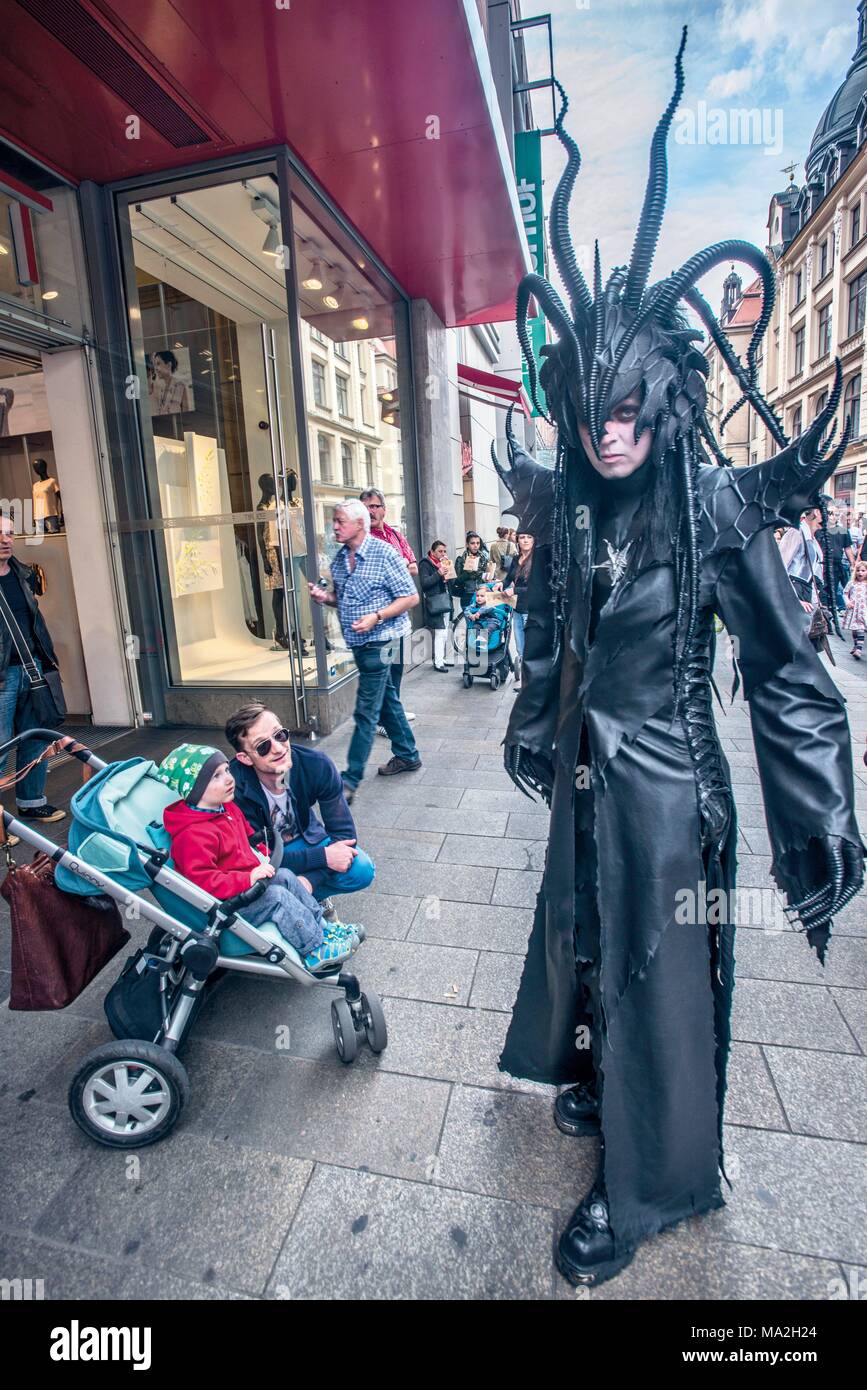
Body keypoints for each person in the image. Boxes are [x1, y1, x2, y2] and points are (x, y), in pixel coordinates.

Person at [494, 33, 863, 1289]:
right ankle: (598, 1082)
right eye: (587, 417)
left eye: (625, 417)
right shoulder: (575, 503)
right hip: (597, 786)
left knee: (661, 982)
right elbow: (555, 626)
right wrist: (537, 722)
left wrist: (817, 809)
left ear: (659, 400)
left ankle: (653, 1190)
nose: (606, 439)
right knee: (588, 947)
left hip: (669, 793)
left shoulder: (714, 506)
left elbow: (787, 672)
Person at [158, 743, 359, 974]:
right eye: (216, 776)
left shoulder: (226, 809)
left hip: (248, 885)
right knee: (277, 897)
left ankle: (323, 927)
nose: (228, 779)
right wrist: (248, 878)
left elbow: (247, 837)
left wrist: (262, 851)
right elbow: (203, 881)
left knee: (285, 876)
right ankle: (314, 948)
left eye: (227, 770)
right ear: (194, 788)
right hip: (228, 904)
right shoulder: (192, 835)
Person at [309, 500, 421, 801]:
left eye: (340, 521)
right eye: (334, 521)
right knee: (387, 701)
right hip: (357, 644)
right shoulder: (339, 559)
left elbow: (411, 597)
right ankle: (408, 754)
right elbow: (342, 598)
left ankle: (350, 780)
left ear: (359, 524)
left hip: (382, 640)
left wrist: (377, 616)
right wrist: (325, 597)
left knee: (366, 711)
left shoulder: (385, 554)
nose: (334, 526)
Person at [226, 701, 375, 909]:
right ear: (245, 758)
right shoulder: (233, 788)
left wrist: (312, 880)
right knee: (262, 888)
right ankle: (297, 901)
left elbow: (344, 834)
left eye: (280, 735)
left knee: (361, 869)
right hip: (266, 856)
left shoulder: (315, 764)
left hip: (307, 838)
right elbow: (253, 857)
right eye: (263, 746)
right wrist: (322, 858)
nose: (278, 748)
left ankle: (307, 898)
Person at [0, 515, 65, 823]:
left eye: (10, 534)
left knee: (36, 738)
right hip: (2, 678)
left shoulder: (21, 574)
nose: (6, 540)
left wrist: (45, 660)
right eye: (0, 534)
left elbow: (34, 623)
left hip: (31, 668)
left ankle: (31, 802)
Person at [360, 487, 418, 725]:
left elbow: (414, 567)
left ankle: (391, 713)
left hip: (400, 616)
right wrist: (399, 565)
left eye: (374, 506)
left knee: (396, 669)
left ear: (383, 509)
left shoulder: (395, 535)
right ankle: (385, 721)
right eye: (365, 507)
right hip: (378, 617)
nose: (370, 511)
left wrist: (398, 566)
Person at [502, 531, 534, 689]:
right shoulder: (516, 559)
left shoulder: (536, 560)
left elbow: (535, 587)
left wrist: (514, 591)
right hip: (517, 609)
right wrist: (500, 585)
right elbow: (509, 578)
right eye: (522, 537)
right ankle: (525, 684)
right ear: (517, 540)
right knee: (521, 648)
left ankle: (529, 685)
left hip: (531, 610)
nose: (526, 540)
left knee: (530, 648)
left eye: (529, 537)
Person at [419, 540, 455, 672]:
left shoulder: (444, 563)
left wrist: (450, 572)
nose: (443, 554)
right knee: (440, 632)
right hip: (435, 601)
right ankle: (438, 662)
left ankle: (442, 658)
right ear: (433, 551)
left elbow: (452, 583)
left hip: (446, 600)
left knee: (445, 632)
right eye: (440, 551)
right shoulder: (425, 563)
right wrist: (439, 573)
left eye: (444, 551)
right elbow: (425, 583)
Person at [451, 532, 488, 611]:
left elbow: (485, 576)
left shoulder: (483, 558)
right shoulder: (461, 560)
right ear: (467, 545)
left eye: (478, 543)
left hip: (481, 596)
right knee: (470, 622)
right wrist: (467, 572)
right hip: (467, 596)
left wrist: (488, 576)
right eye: (472, 543)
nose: (475, 546)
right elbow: (456, 581)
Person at [842, 558, 867, 658]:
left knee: (860, 628)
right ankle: (856, 644)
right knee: (854, 629)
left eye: (863, 571)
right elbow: (845, 593)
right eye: (858, 570)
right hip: (853, 609)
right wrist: (847, 602)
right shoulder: (852, 583)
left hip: (863, 610)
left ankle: (859, 649)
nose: (860, 573)